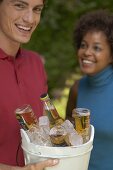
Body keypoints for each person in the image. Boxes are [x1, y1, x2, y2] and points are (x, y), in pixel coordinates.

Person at [0, 0, 59, 169]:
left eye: (37, 9)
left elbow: (41, 129)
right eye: (20, 5)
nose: (30, 18)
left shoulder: (35, 63)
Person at [66, 10, 113, 170]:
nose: (87, 52)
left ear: (111, 55)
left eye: (97, 48)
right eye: (83, 45)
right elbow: (67, 133)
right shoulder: (77, 89)